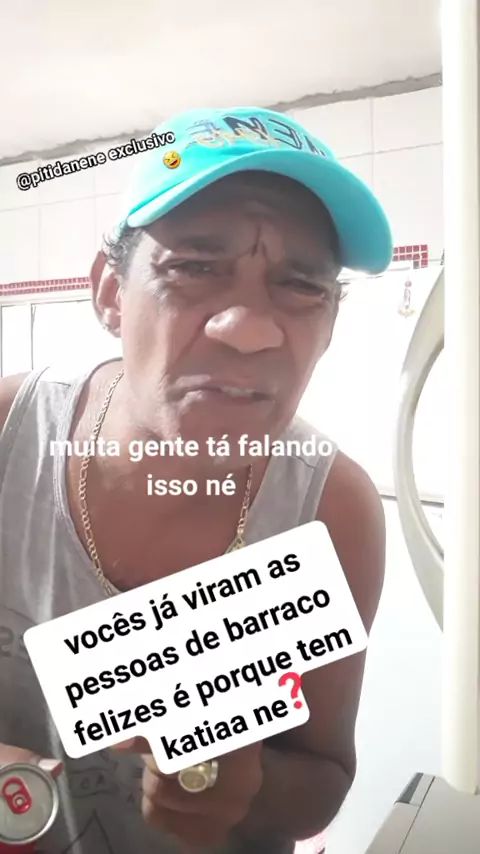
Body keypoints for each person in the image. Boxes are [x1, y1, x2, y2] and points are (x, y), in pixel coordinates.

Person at [0, 106, 392, 854]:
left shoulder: (330, 509)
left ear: (330, 328)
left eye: (301, 284)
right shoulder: (9, 434)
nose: (248, 328)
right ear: (111, 294)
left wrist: (250, 786)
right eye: (194, 268)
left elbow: (325, 776)